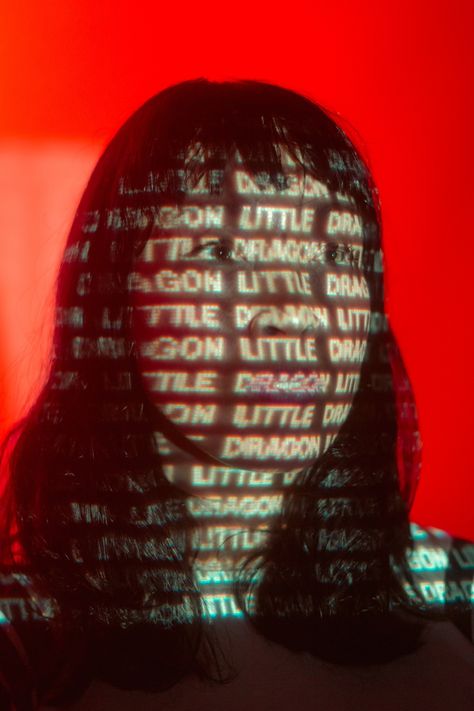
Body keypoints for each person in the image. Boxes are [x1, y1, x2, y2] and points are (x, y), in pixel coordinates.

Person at [0, 78, 472, 711]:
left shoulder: (457, 597)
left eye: (334, 254)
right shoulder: (24, 639)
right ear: (116, 296)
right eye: (220, 250)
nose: (295, 313)